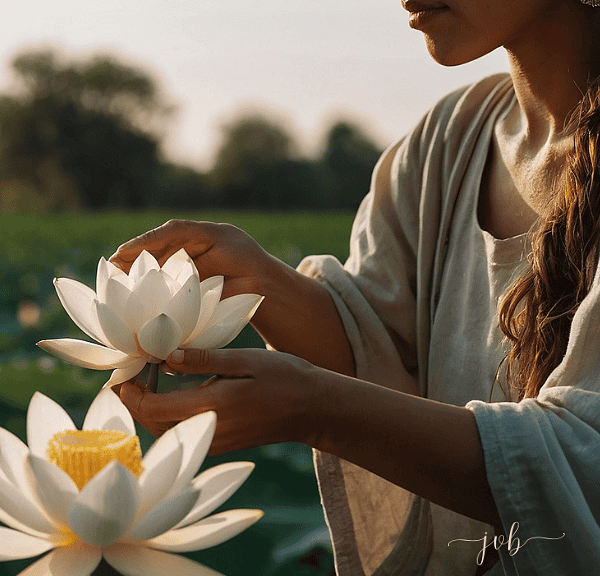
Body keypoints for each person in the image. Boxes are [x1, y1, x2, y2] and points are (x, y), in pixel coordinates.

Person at [110, 1, 600, 574]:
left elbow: (584, 466)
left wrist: (318, 410)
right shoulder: (448, 140)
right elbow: (386, 360)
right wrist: (262, 282)